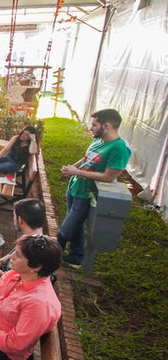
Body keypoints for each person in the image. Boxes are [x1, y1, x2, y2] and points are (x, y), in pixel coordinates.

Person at [57, 109, 131, 265]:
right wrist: (73, 168)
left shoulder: (119, 149)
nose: (91, 128)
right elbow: (87, 159)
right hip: (75, 187)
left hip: (87, 194)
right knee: (76, 225)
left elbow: (108, 177)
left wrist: (77, 172)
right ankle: (76, 256)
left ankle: (52, 256)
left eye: (94, 125)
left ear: (106, 126)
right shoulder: (98, 140)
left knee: (65, 230)